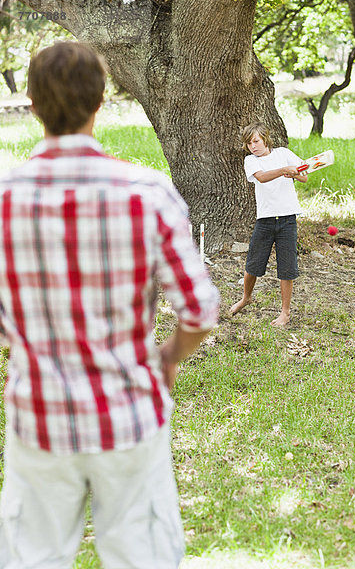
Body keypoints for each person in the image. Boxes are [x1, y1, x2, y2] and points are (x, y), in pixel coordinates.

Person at [0, 41, 219, 569]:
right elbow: (199, 310)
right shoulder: (146, 192)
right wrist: (166, 358)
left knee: (31, 558)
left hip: (39, 416)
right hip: (130, 416)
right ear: (101, 101)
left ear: (31, 103)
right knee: (142, 555)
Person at [230, 122, 307, 326]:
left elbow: (304, 177)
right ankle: (246, 298)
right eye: (249, 143)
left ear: (265, 138)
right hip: (265, 219)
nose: (253, 146)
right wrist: (284, 170)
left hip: (287, 218)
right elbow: (262, 178)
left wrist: (295, 173)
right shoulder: (250, 161)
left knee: (286, 267)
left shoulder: (283, 153)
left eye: (256, 141)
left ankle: (285, 312)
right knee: (253, 265)